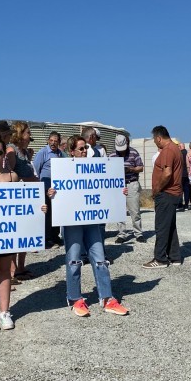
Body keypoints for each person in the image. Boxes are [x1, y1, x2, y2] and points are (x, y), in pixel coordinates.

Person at [0, 137, 46, 330]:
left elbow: (21, 205)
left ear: (5, 153)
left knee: (4, 272)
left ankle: (5, 312)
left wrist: (39, 208)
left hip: (6, 233)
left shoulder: (12, 177)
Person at [51, 135, 129, 317]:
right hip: (73, 223)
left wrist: (119, 191)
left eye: (85, 148)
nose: (85, 151)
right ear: (72, 152)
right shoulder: (63, 170)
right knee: (74, 260)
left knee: (100, 258)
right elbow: (58, 191)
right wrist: (52, 192)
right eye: (80, 149)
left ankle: (107, 298)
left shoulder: (98, 168)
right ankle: (74, 297)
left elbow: (108, 187)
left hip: (93, 221)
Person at [144, 125, 183, 269]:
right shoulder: (175, 149)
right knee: (170, 226)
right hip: (173, 193)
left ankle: (160, 258)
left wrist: (157, 189)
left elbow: (167, 173)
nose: (155, 142)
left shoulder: (167, 151)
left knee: (161, 227)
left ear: (159, 138)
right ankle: (175, 256)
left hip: (166, 194)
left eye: (155, 140)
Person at [6, 121, 39, 281]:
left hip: (28, 197)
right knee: (15, 234)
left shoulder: (24, 152)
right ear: (20, 134)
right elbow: (11, 175)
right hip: (17, 198)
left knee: (25, 232)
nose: (30, 136)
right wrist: (28, 179)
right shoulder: (11, 150)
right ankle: (12, 269)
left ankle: (21, 267)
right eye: (28, 133)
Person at [33, 131, 66, 248]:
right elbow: (36, 169)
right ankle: (46, 238)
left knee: (56, 213)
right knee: (47, 214)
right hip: (45, 187)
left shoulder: (61, 154)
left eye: (55, 141)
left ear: (59, 142)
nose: (53, 143)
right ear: (48, 140)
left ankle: (55, 236)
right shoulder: (42, 153)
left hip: (56, 189)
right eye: (51, 140)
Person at [110, 133, 145, 244]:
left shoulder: (134, 152)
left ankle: (138, 233)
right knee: (119, 211)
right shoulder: (111, 156)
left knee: (135, 210)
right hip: (117, 185)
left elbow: (141, 167)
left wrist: (131, 169)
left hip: (131, 183)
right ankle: (121, 234)